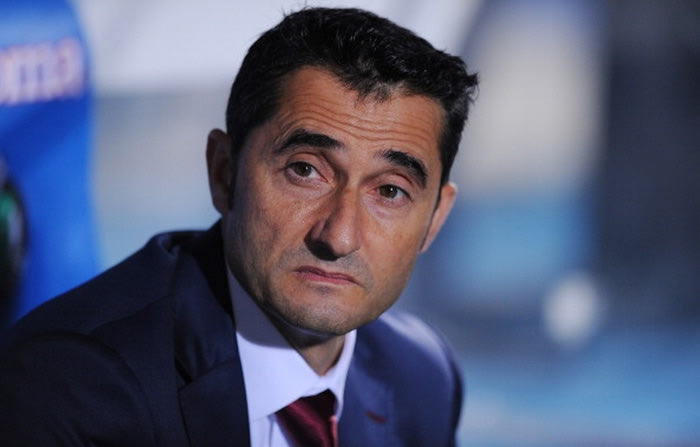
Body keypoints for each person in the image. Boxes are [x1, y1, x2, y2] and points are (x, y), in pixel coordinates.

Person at [0, 7, 478, 447]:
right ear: (223, 173)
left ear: (435, 218)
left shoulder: (421, 376)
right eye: (305, 170)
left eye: (390, 191)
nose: (339, 237)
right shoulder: (72, 383)